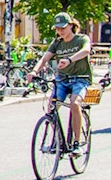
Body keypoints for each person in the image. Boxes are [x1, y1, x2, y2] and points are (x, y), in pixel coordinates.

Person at [31, 12, 93, 149]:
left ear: (71, 25)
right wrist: (34, 71)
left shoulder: (81, 39)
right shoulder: (57, 43)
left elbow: (86, 51)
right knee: (51, 108)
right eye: (58, 28)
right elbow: (44, 59)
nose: (60, 31)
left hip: (80, 79)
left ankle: (76, 143)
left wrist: (69, 59)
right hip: (62, 79)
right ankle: (56, 140)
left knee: (75, 104)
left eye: (63, 28)